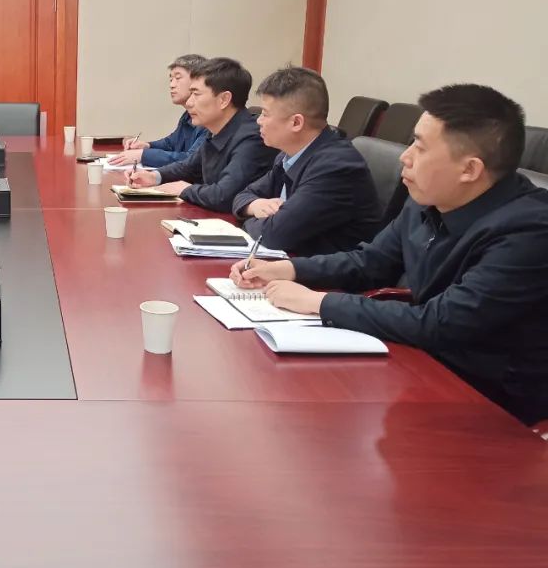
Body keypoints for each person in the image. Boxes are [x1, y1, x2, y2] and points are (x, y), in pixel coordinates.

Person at [230, 84, 548, 425]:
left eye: (420, 148)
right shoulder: (428, 198)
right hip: (419, 365)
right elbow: (370, 263)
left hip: (494, 404)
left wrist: (318, 302)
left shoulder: (529, 231)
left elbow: (442, 323)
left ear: (469, 169)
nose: (404, 157)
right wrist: (289, 269)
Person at [231, 66, 379, 255]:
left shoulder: (336, 167)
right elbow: (243, 195)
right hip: (291, 259)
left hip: (326, 270)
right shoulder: (290, 154)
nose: (258, 121)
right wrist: (254, 206)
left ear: (296, 123)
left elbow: (273, 235)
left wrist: (249, 219)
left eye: (266, 114)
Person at [127, 57, 276, 212]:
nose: (189, 102)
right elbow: (188, 167)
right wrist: (154, 176)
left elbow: (224, 195)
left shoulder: (253, 138)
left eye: (196, 94)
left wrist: (185, 189)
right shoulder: (216, 129)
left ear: (224, 100)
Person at [108, 54, 210, 167]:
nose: (171, 85)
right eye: (171, 79)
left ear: (198, 80)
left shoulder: (210, 118)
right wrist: (147, 146)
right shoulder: (188, 115)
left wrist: (143, 155)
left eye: (177, 78)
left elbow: (192, 160)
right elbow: (171, 143)